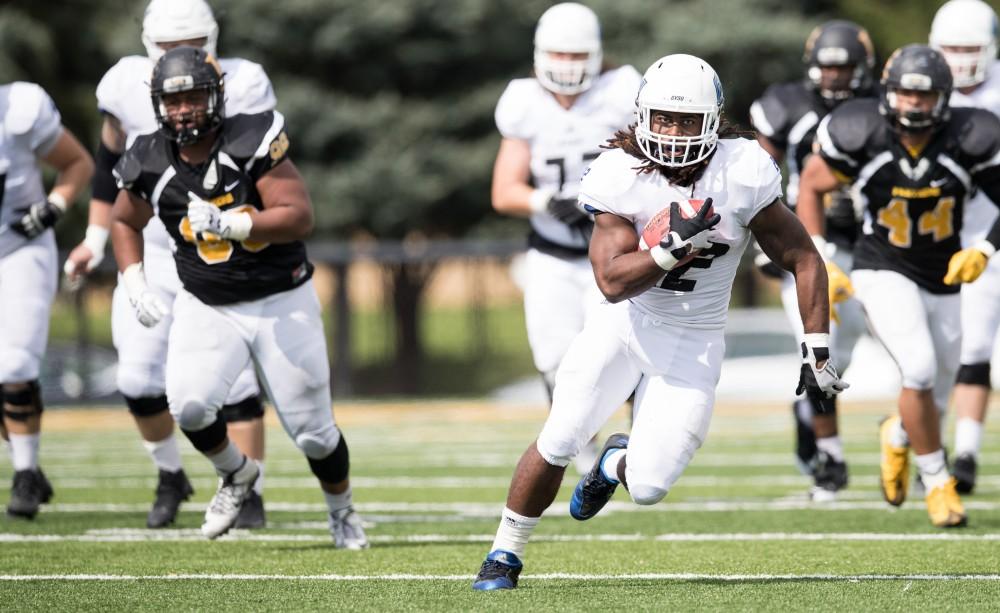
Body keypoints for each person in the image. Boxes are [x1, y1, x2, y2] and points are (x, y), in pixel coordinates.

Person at [472, 54, 846, 590]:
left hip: (693, 341)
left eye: (687, 121)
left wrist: (816, 347)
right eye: (664, 119)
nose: (673, 133)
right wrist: (671, 251)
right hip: (622, 324)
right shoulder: (617, 171)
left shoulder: (743, 169)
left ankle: (614, 464)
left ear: (713, 121)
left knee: (647, 487)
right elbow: (611, 281)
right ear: (643, 115)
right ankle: (503, 553)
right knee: (560, 434)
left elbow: (804, 258)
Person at [109, 46, 367, 547]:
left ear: (216, 96)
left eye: (193, 97)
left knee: (314, 432)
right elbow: (124, 219)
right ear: (158, 104)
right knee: (190, 406)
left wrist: (234, 222)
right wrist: (133, 278)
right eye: (173, 100)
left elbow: (298, 215)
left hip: (281, 299)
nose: (183, 109)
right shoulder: (146, 156)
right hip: (208, 302)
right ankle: (237, 474)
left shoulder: (250, 137)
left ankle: (342, 511)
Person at [64, 0, 276, 529]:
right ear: (147, 44)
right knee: (136, 378)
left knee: (239, 383)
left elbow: (265, 167)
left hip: (216, 249)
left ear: (212, 39)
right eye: (167, 48)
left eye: (193, 47)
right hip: (152, 248)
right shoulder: (123, 85)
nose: (180, 59)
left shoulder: (244, 83)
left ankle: (249, 489)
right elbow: (109, 164)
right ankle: (170, 474)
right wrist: (94, 238)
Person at [798, 44, 1000, 527]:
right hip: (881, 265)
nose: (913, 104)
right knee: (920, 367)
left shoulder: (970, 135)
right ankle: (937, 482)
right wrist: (824, 257)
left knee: (941, 385)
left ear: (944, 99)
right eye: (905, 94)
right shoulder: (861, 130)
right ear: (889, 94)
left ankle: (899, 435)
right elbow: (809, 184)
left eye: (924, 96)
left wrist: (986, 249)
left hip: (945, 272)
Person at [492, 3, 641, 473]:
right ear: (539, 54)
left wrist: (607, 205)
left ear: (596, 55)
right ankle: (583, 449)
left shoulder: (622, 91)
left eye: (577, 54)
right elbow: (504, 190)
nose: (568, 64)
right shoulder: (523, 101)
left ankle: (639, 448)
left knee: (630, 355)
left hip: (616, 252)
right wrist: (547, 202)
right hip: (554, 253)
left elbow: (649, 167)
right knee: (555, 360)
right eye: (559, 53)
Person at [750, 20, 876, 500]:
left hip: (871, 241)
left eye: (845, 68)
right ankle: (832, 459)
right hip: (805, 245)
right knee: (817, 348)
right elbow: (760, 174)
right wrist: (768, 240)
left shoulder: (881, 105)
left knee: (845, 352)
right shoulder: (786, 106)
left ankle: (811, 417)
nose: (835, 77)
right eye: (828, 67)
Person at [1, 82, 95, 518]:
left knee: (16, 365)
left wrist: (53, 207)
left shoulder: (19, 110)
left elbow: (78, 162)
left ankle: (25, 472)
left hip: (18, 246)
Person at [929, 0, 1000, 494]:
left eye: (968, 48)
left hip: (988, 234)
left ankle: (966, 452)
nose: (959, 59)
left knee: (977, 348)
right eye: (950, 48)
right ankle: (932, 447)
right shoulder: (918, 87)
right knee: (944, 353)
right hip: (939, 238)